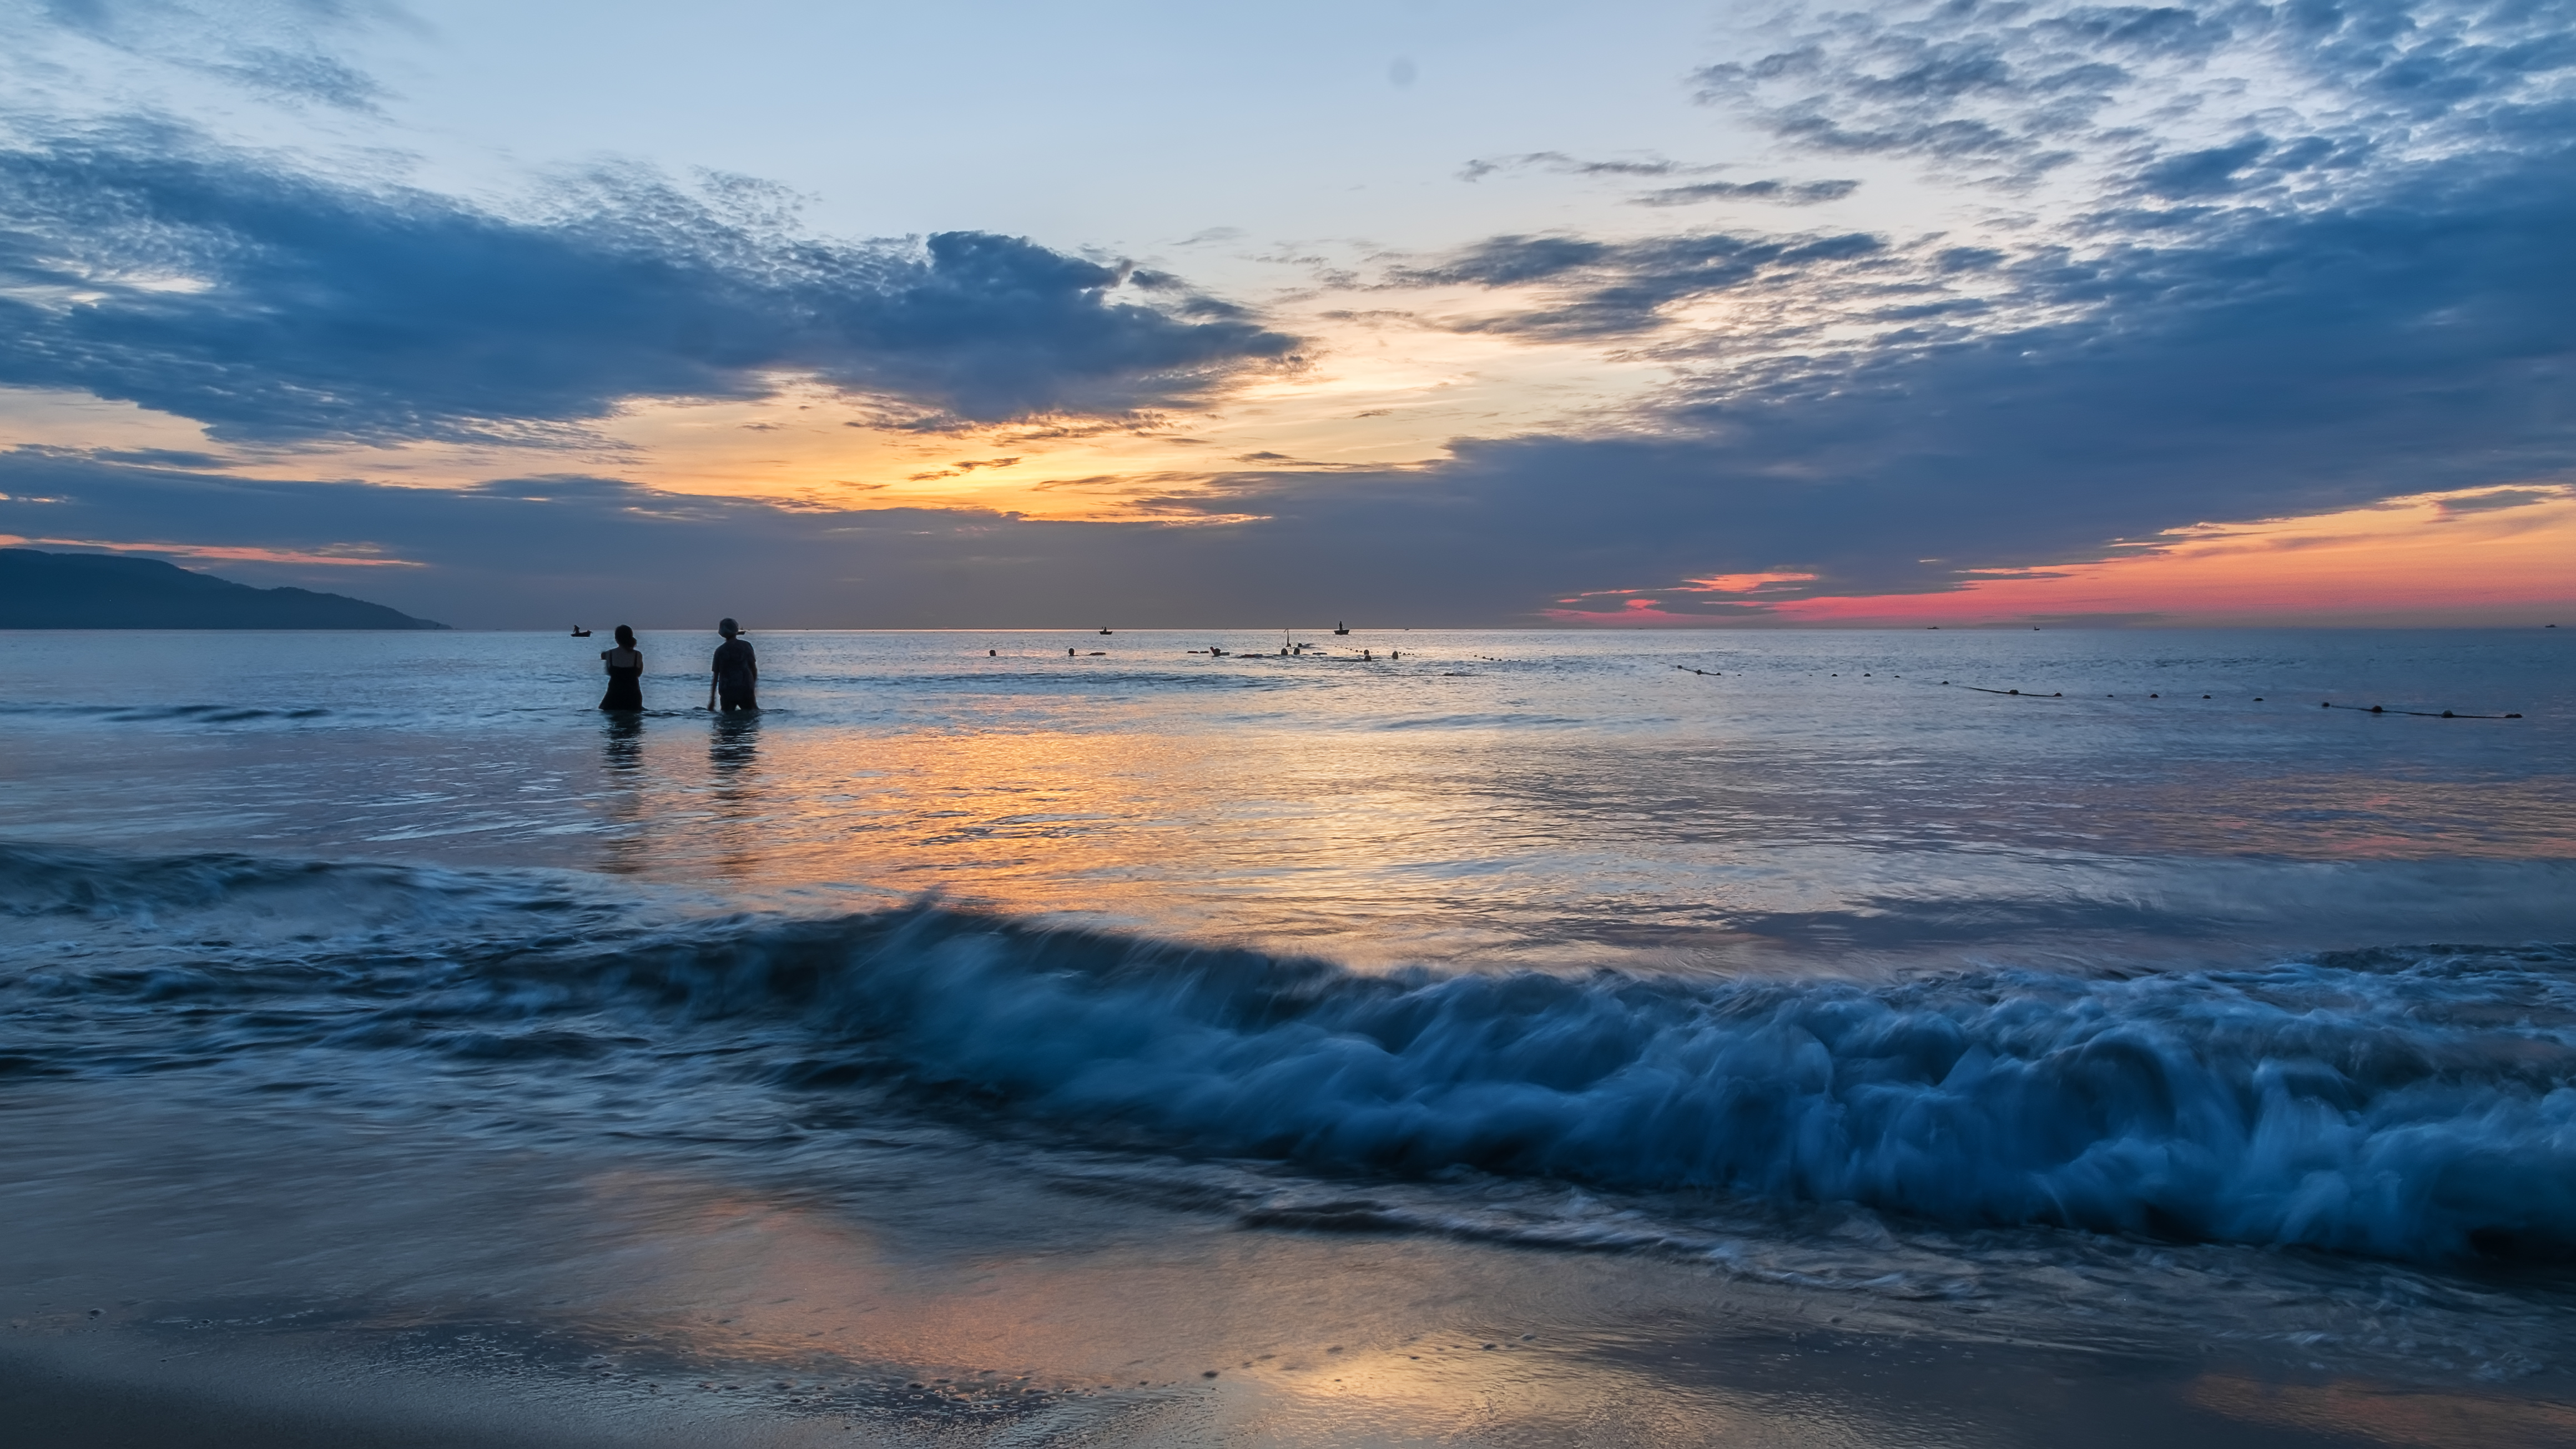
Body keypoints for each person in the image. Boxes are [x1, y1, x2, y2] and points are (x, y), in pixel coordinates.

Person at [708, 618, 758, 711]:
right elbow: (753, 669)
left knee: (727, 720)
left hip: (727, 690)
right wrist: (752, 688)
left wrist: (712, 700)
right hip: (745, 689)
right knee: (751, 718)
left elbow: (716, 677)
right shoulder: (746, 646)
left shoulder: (720, 651)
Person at [598, 625, 644, 710]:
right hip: (633, 697)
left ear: (616, 639)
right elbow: (639, 674)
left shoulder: (609, 654)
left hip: (614, 696)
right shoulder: (638, 655)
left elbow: (608, 672)